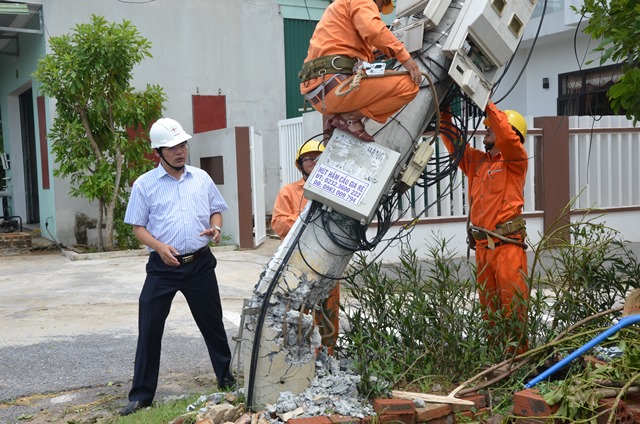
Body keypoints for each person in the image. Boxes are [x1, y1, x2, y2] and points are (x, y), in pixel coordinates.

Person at [119, 118, 235, 416]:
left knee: (213, 325)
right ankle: (142, 395)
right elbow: (138, 226)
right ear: (158, 151)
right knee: (149, 327)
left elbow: (216, 211)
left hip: (199, 264)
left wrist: (215, 228)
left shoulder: (201, 178)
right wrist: (158, 247)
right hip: (163, 267)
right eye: (172, 147)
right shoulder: (144, 185)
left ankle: (226, 379)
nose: (180, 151)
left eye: (182, 144)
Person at [440, 101, 529, 354]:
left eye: (490, 128)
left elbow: (506, 136)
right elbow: (454, 144)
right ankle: (495, 363)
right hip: (483, 249)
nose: (485, 130)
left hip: (508, 248)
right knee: (490, 313)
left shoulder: (515, 159)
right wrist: (444, 112)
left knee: (513, 313)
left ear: (509, 133)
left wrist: (485, 100)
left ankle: (517, 366)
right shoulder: (478, 163)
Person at [299, 0, 422, 143]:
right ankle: (349, 119)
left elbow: (350, 46)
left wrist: (382, 49)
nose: (379, 11)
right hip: (336, 85)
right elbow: (373, 29)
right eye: (381, 6)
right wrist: (404, 56)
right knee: (408, 86)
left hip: (321, 91)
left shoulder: (340, 7)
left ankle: (346, 118)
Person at [271, 140, 340, 354]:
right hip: (298, 264)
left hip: (329, 263)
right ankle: (300, 357)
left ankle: (328, 356)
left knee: (329, 313)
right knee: (298, 312)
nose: (313, 162)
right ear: (300, 164)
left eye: (318, 158)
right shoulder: (289, 192)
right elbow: (279, 223)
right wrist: (311, 224)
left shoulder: (336, 188)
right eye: (308, 159)